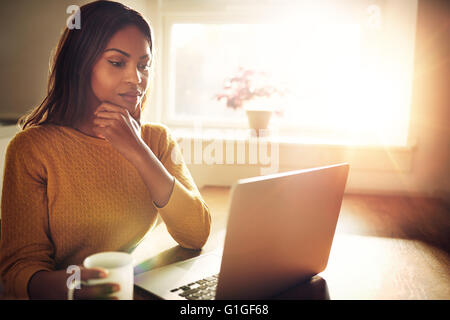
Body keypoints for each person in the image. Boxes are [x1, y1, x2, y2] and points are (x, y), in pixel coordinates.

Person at [0, 0, 211, 300]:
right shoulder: (32, 150)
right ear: (80, 64)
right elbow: (17, 273)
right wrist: (73, 288)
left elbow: (196, 234)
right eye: (117, 62)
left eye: (143, 65)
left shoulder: (156, 140)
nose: (136, 79)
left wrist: (138, 152)